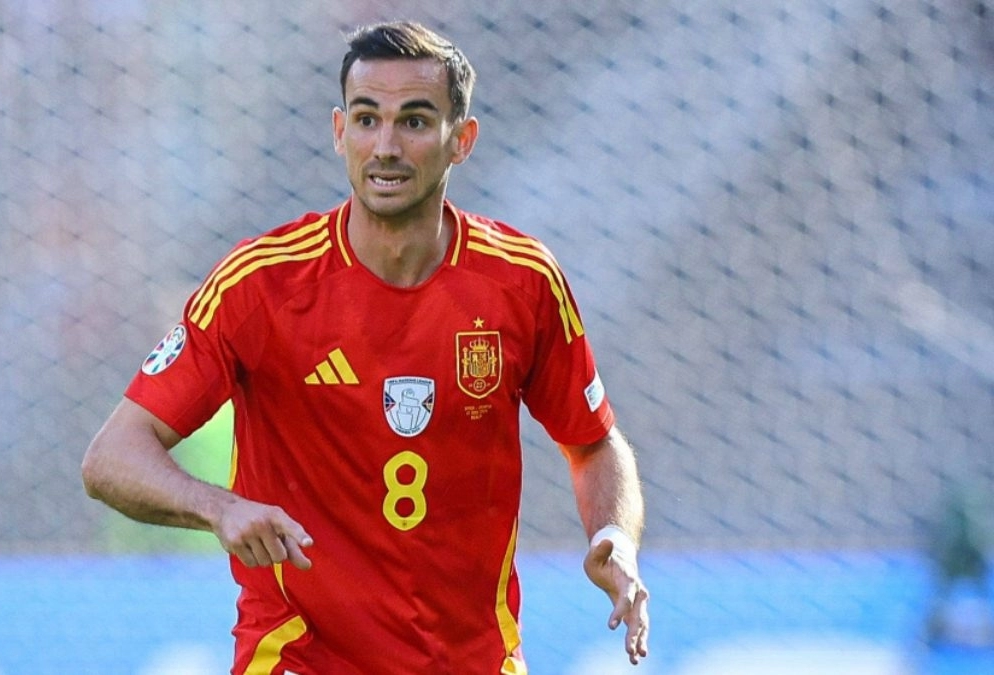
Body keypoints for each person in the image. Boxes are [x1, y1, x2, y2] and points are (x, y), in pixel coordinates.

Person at [82, 20, 650, 673]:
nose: (386, 146)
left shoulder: (521, 281)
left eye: (414, 122)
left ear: (461, 140)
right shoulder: (261, 284)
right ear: (338, 131)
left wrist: (614, 534)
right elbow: (111, 457)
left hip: (473, 660)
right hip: (299, 658)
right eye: (366, 119)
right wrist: (220, 507)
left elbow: (593, 443)